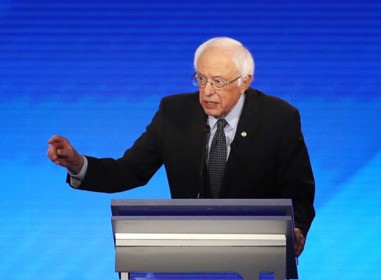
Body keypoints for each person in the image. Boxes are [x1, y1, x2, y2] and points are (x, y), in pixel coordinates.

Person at [47, 37, 315, 257]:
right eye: (201, 79)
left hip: (258, 255)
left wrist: (297, 232)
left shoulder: (279, 118)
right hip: (189, 252)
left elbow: (299, 192)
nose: (207, 91)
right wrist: (78, 164)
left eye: (218, 82)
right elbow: (130, 171)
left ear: (245, 82)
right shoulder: (173, 112)